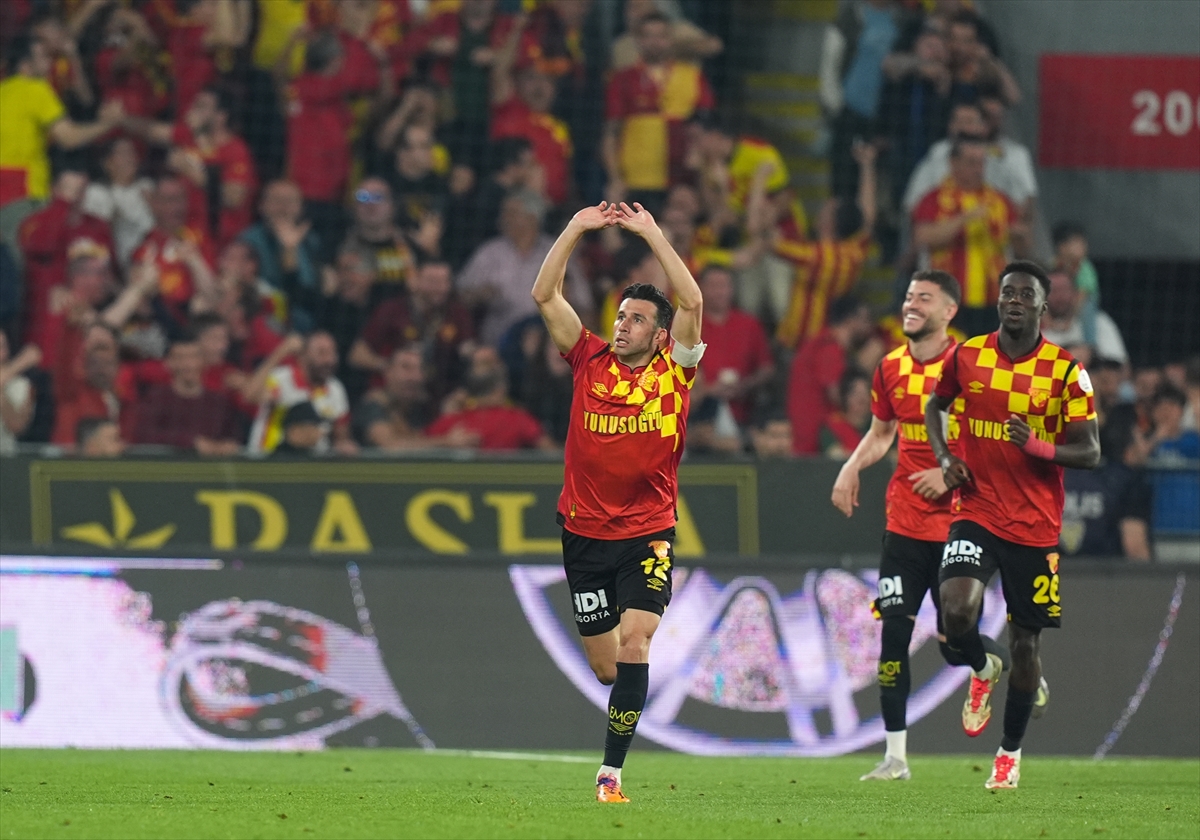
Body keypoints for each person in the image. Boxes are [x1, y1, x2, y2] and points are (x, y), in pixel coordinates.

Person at [531, 200, 704, 803]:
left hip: (647, 534)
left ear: (659, 334)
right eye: (621, 315)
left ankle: (611, 775)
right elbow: (545, 295)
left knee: (636, 642)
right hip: (583, 535)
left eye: (636, 319)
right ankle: (625, 706)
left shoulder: (675, 372)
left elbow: (692, 302)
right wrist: (576, 228)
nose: (623, 325)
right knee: (608, 668)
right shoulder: (588, 358)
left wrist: (653, 234)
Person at [925, 260, 1100, 789]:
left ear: (1043, 306)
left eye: (1026, 294)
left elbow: (1091, 452)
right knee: (955, 612)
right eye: (1008, 293)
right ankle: (983, 668)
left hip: (1035, 526)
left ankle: (1009, 754)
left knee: (1026, 646)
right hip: (976, 509)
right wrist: (944, 457)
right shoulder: (967, 355)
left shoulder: (1066, 371)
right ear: (999, 300)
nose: (1015, 301)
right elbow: (935, 407)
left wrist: (1038, 446)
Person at [832, 270, 1009, 781]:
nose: (911, 304)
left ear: (949, 311)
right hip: (905, 522)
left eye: (924, 298)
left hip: (960, 523)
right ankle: (895, 758)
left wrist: (948, 470)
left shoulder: (974, 367)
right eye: (909, 296)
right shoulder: (889, 367)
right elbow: (881, 433)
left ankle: (1000, 667)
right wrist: (851, 467)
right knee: (893, 635)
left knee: (955, 644)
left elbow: (995, 442)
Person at [912, 136, 1026, 337]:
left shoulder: (999, 200)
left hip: (993, 300)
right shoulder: (934, 199)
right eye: (971, 163)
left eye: (981, 163)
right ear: (953, 163)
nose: (978, 170)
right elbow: (923, 237)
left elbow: (1022, 249)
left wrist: (1018, 236)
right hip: (948, 298)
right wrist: (964, 218)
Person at [603, 12, 714, 210]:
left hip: (682, 179)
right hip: (637, 179)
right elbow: (611, 133)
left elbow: (707, 127)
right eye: (648, 36)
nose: (655, 42)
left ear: (671, 39)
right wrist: (616, 178)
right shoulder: (622, 79)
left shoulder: (692, 76)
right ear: (637, 41)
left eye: (661, 36)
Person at [244, 331, 357, 456]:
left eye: (333, 353)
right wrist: (281, 352)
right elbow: (250, 396)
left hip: (313, 462)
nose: (329, 360)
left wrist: (344, 445)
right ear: (304, 355)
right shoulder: (282, 379)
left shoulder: (335, 388)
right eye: (322, 353)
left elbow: (341, 434)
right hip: (270, 458)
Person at [787, 295, 874, 455]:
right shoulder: (829, 349)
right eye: (865, 320)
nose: (869, 327)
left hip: (812, 435)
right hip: (815, 438)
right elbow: (835, 394)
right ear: (851, 320)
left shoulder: (821, 343)